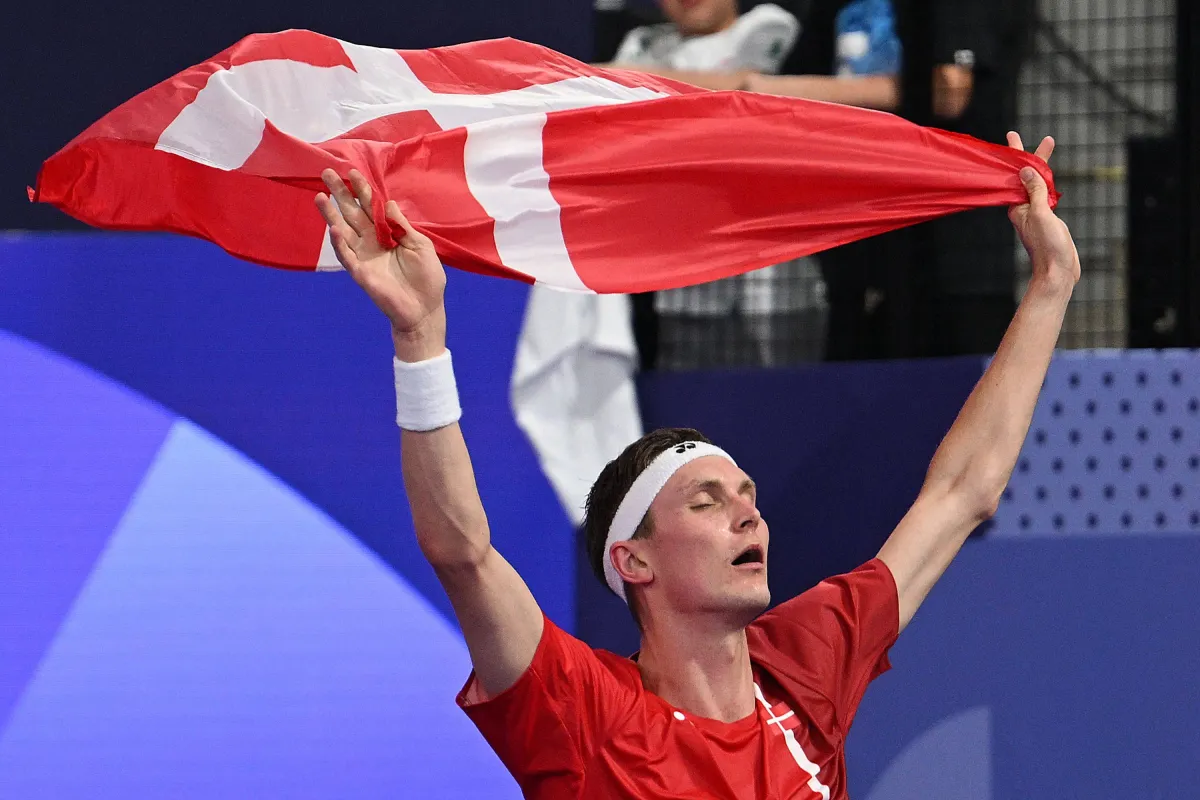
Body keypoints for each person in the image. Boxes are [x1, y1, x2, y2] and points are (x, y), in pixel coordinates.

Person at [313, 131, 1079, 798]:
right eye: (707, 502)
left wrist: (1051, 285)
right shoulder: (584, 715)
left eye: (747, 495)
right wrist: (420, 339)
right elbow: (462, 552)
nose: (750, 515)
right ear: (633, 560)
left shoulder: (803, 669)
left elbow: (962, 494)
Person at [600, 0, 826, 369]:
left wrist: (626, 79)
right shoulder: (642, 43)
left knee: (787, 394)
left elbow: (746, 90)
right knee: (693, 399)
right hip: (687, 284)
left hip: (773, 279)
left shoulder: (767, 23)